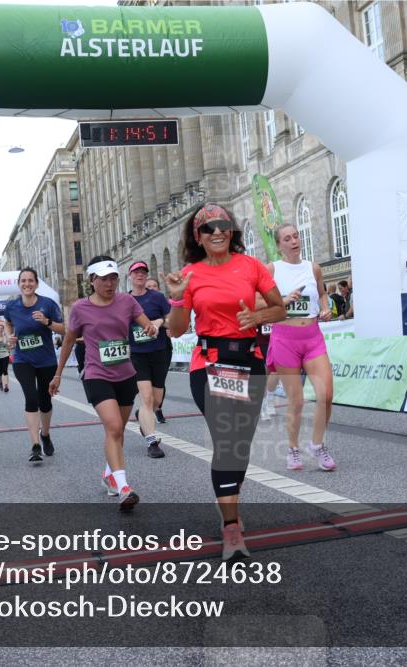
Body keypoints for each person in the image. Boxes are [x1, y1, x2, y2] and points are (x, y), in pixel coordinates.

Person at [162, 203, 286, 561]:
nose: (217, 232)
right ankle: (231, 528)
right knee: (227, 442)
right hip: (210, 365)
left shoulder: (251, 266)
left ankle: (230, 503)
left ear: (231, 232)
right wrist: (175, 299)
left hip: (249, 361)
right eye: (208, 228)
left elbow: (280, 309)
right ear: (197, 238)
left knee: (240, 445)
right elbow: (177, 330)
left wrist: (258, 314)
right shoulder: (189, 275)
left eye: (223, 226)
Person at [50, 257, 157, 510]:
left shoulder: (126, 301)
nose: (110, 284)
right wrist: (57, 374)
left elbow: (145, 323)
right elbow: (68, 341)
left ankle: (110, 474)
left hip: (126, 374)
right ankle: (123, 487)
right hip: (97, 374)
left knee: (117, 432)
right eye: (104, 279)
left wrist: (150, 328)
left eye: (113, 278)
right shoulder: (80, 308)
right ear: (91, 280)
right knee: (113, 426)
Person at [266, 224, 337, 471]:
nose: (294, 241)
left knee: (326, 395)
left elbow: (322, 293)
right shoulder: (272, 270)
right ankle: (292, 449)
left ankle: (317, 445)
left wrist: (326, 309)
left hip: (313, 336)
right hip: (285, 338)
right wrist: (284, 301)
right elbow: (257, 302)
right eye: (287, 238)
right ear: (279, 245)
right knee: (296, 401)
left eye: (296, 236)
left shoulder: (313, 267)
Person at [3, 267, 65, 463]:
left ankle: (45, 434)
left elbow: (64, 329)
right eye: (23, 281)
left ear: (36, 284)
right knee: (31, 398)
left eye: (31, 280)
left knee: (45, 401)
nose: (27, 284)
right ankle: (35, 444)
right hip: (23, 360)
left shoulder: (47, 304)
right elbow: (7, 322)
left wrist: (47, 322)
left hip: (46, 360)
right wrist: (9, 337)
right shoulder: (12, 306)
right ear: (19, 284)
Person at [127, 260, 171, 459]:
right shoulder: (124, 300)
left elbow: (172, 319)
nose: (140, 275)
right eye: (136, 272)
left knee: (156, 400)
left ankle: (142, 417)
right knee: (145, 398)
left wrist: (160, 321)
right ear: (130, 276)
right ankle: (152, 441)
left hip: (159, 351)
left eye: (143, 272)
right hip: (137, 354)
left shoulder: (158, 297)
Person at [145, 276, 170, 423]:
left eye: (154, 286)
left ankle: (157, 406)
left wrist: (160, 322)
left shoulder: (162, 303)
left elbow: (172, 323)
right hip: (143, 349)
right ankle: (148, 408)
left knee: (160, 380)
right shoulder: (138, 303)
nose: (152, 288)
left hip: (162, 345)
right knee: (146, 382)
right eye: (149, 286)